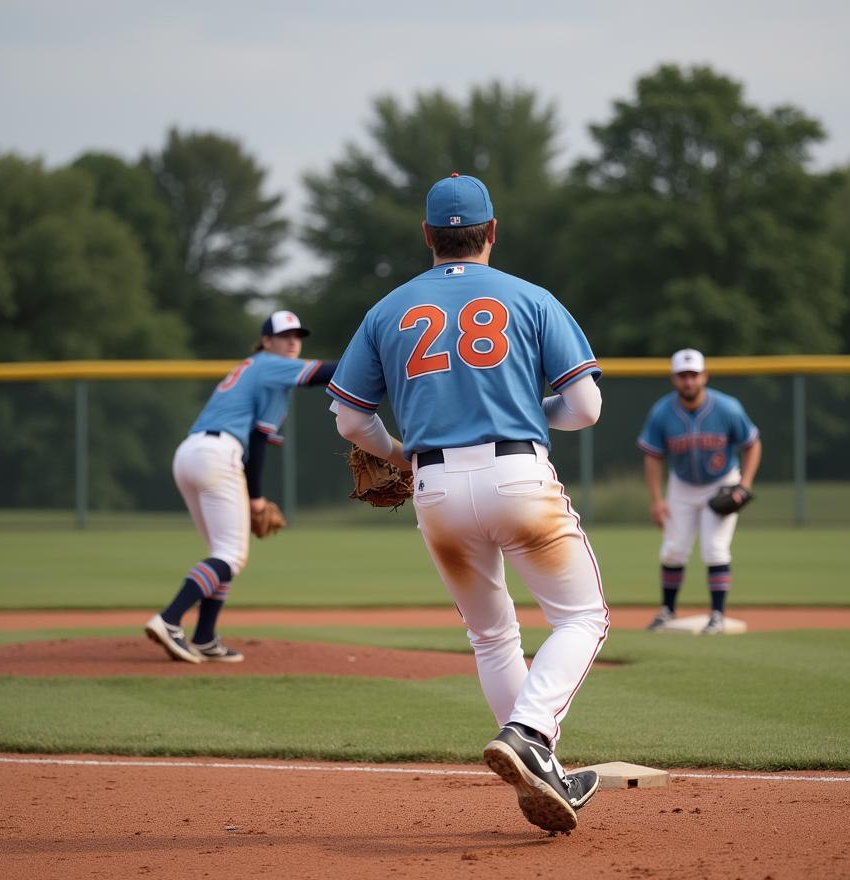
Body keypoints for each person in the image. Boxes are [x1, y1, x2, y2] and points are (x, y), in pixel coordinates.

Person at [327, 173, 609, 833]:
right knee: (582, 617)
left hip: (436, 488)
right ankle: (531, 736)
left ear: (427, 235)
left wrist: (398, 454)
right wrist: (526, 413)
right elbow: (586, 407)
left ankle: (542, 769)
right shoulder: (530, 297)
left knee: (489, 632)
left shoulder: (388, 309)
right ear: (492, 231)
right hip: (518, 476)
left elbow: (348, 418)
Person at [145, 311, 337, 664]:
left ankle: (204, 637)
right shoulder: (271, 365)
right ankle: (170, 619)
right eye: (285, 336)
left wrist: (255, 498)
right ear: (266, 341)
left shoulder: (260, 372)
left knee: (222, 551)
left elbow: (258, 441)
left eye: (298, 336)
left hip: (191, 454)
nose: (293, 342)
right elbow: (328, 373)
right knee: (232, 554)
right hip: (217, 455)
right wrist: (378, 357)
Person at [637, 348, 762, 635]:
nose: (688, 381)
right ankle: (667, 611)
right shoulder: (662, 412)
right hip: (681, 485)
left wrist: (745, 484)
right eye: (682, 376)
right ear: (674, 379)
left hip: (721, 483)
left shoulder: (728, 408)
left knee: (715, 548)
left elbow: (752, 444)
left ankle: (717, 615)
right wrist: (656, 500)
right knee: (673, 550)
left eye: (693, 375)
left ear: (704, 376)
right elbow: (652, 456)